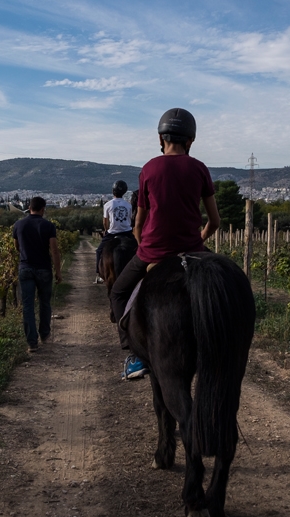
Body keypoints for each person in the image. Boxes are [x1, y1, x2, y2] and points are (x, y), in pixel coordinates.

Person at [109, 108, 221, 379]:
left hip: (153, 252)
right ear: (190, 141)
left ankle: (135, 353)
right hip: (193, 250)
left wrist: (143, 245)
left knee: (118, 293)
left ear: (161, 140)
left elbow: (138, 224)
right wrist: (199, 240)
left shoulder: (148, 169)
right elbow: (215, 221)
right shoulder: (200, 169)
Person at [12, 196, 62, 352]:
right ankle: (45, 334)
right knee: (44, 302)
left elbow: (17, 247)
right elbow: (54, 250)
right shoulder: (48, 226)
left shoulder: (18, 225)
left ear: (29, 207)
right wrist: (58, 271)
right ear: (43, 209)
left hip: (25, 268)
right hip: (44, 269)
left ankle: (32, 342)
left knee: (28, 305)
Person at [95, 180, 135, 284]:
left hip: (112, 233)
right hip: (127, 232)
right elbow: (130, 219)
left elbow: (105, 222)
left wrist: (105, 230)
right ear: (124, 192)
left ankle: (99, 274)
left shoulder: (108, 204)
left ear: (113, 191)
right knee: (138, 249)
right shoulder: (128, 205)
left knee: (99, 251)